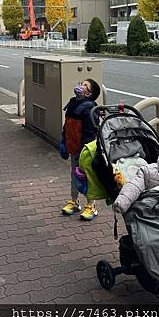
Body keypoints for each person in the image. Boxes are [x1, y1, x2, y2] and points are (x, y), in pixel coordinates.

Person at [59, 78, 101, 221]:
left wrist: (86, 151)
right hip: (73, 147)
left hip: (85, 150)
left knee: (86, 176)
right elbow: (67, 125)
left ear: (89, 94)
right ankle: (74, 202)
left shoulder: (89, 108)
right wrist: (63, 141)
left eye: (84, 85)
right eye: (81, 83)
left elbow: (90, 133)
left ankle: (91, 205)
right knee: (74, 176)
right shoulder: (72, 104)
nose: (80, 86)